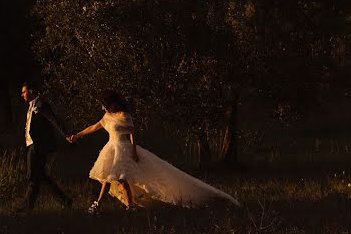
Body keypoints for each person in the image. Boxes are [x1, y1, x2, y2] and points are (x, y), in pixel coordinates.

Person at [67, 90, 239, 213]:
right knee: (108, 178)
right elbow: (93, 127)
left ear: (111, 104)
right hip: (111, 149)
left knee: (120, 178)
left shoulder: (125, 116)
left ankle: (123, 205)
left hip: (123, 149)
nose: (102, 108)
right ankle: (104, 205)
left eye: (104, 105)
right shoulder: (107, 117)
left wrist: (134, 152)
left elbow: (132, 135)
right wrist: (78, 135)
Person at [19, 82, 72, 212]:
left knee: (32, 177)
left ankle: (26, 208)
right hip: (32, 144)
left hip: (38, 146)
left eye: (24, 92)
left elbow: (54, 119)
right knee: (42, 176)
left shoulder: (41, 104)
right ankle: (66, 200)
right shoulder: (32, 105)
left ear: (31, 91)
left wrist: (66, 135)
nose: (22, 95)